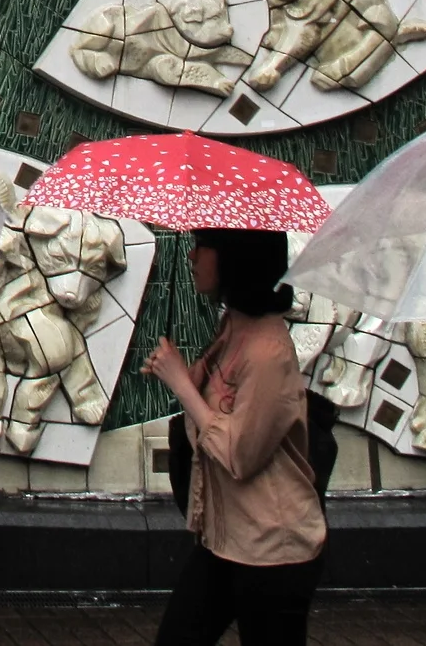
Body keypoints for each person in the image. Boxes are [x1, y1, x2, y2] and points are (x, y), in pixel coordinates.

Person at [143, 228, 327, 646]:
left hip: (272, 552)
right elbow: (210, 413)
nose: (191, 257)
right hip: (223, 541)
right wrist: (181, 373)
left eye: (203, 246)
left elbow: (238, 454)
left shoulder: (268, 352)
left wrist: (182, 385)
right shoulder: (232, 327)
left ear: (236, 258)